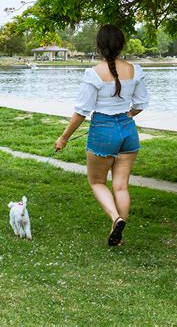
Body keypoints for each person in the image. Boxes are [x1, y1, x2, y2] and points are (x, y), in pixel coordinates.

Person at [54, 24, 149, 246]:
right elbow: (141, 104)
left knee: (97, 182)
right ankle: (118, 234)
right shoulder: (135, 70)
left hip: (103, 131)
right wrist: (128, 113)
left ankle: (116, 219)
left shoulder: (93, 74)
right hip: (128, 130)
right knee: (121, 186)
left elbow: (81, 112)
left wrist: (64, 138)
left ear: (99, 46)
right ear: (122, 44)